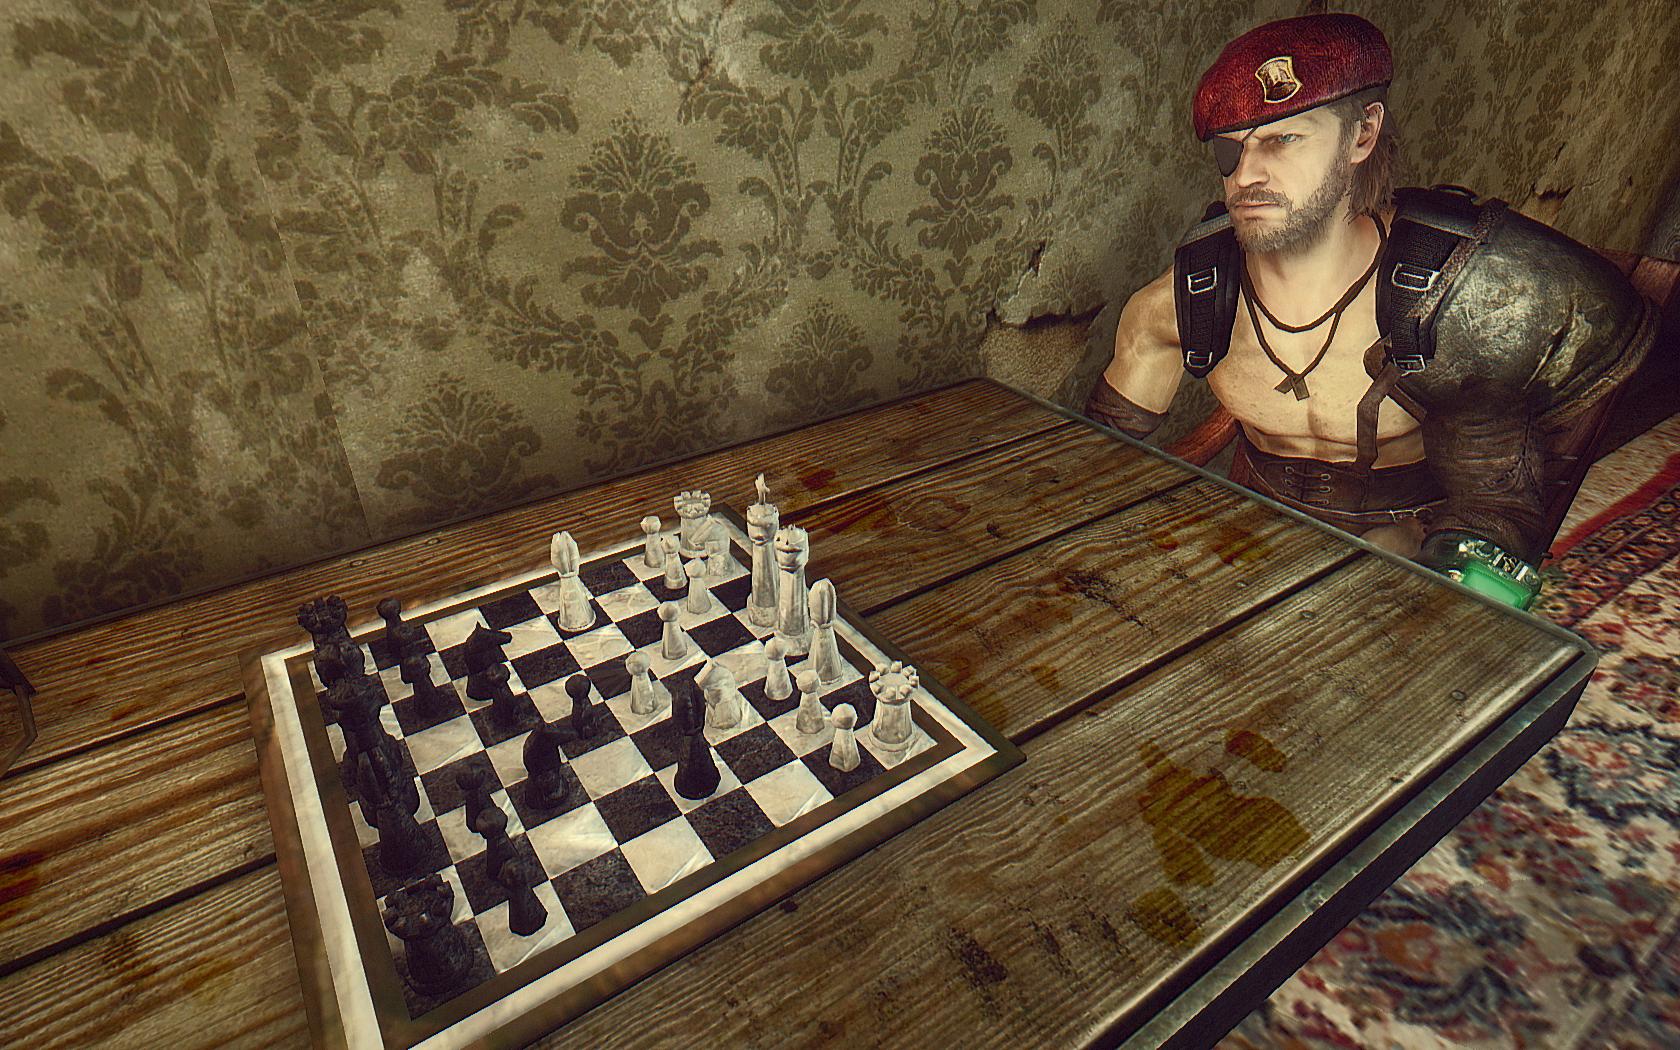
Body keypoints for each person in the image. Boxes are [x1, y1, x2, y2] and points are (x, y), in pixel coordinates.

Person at [1085, 13, 1657, 609]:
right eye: (1233, 148)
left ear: (1363, 134)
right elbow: (1091, 456)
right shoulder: (1179, 304)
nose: (1246, 174)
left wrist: (1426, 573)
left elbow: (1495, 514)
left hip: (1411, 548)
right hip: (1250, 538)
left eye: (1283, 139)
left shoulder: (1453, 297)